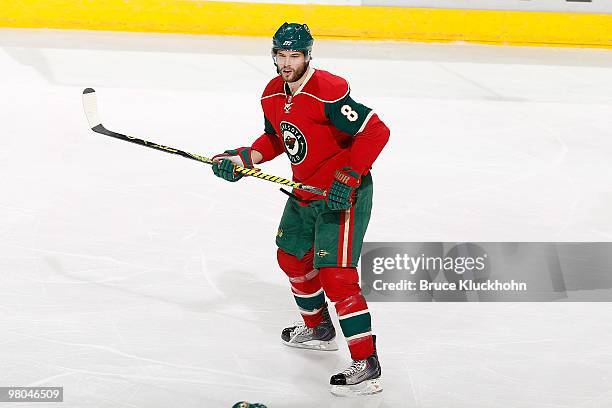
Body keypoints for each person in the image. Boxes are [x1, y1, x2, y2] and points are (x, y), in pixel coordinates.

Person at [211, 22, 390, 396]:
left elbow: (376, 131)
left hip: (342, 196)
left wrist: (351, 175)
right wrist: (244, 157)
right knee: (292, 258)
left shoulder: (328, 91)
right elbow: (277, 138)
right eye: (282, 55)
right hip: (304, 192)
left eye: (295, 56)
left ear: (308, 55)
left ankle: (366, 364)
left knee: (336, 277)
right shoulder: (272, 93)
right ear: (273, 55)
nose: (287, 63)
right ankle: (319, 328)